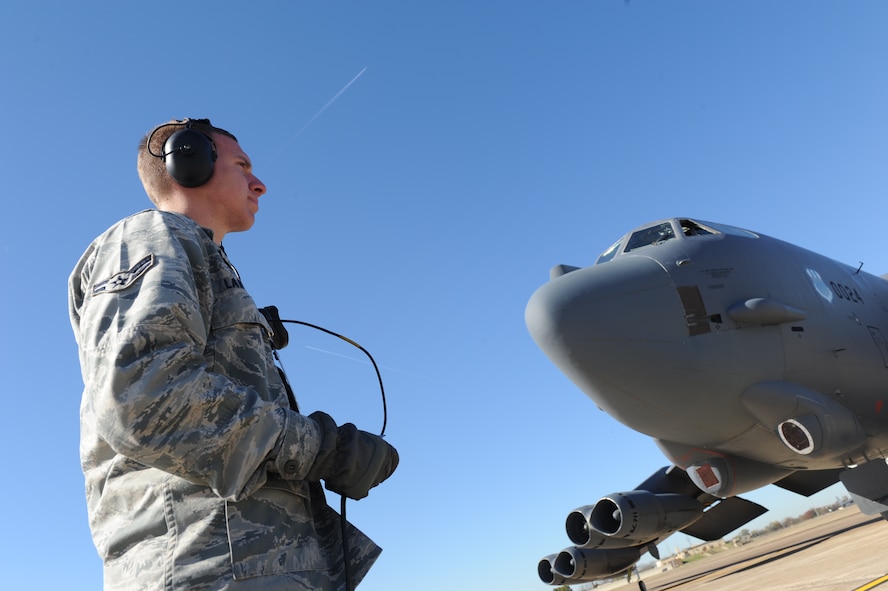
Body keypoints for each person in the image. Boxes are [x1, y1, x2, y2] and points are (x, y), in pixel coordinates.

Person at [68, 118, 398, 591]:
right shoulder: (152, 237)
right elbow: (143, 397)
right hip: (211, 569)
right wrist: (325, 450)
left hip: (252, 567)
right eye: (242, 165)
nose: (259, 183)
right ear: (189, 159)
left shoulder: (194, 255)